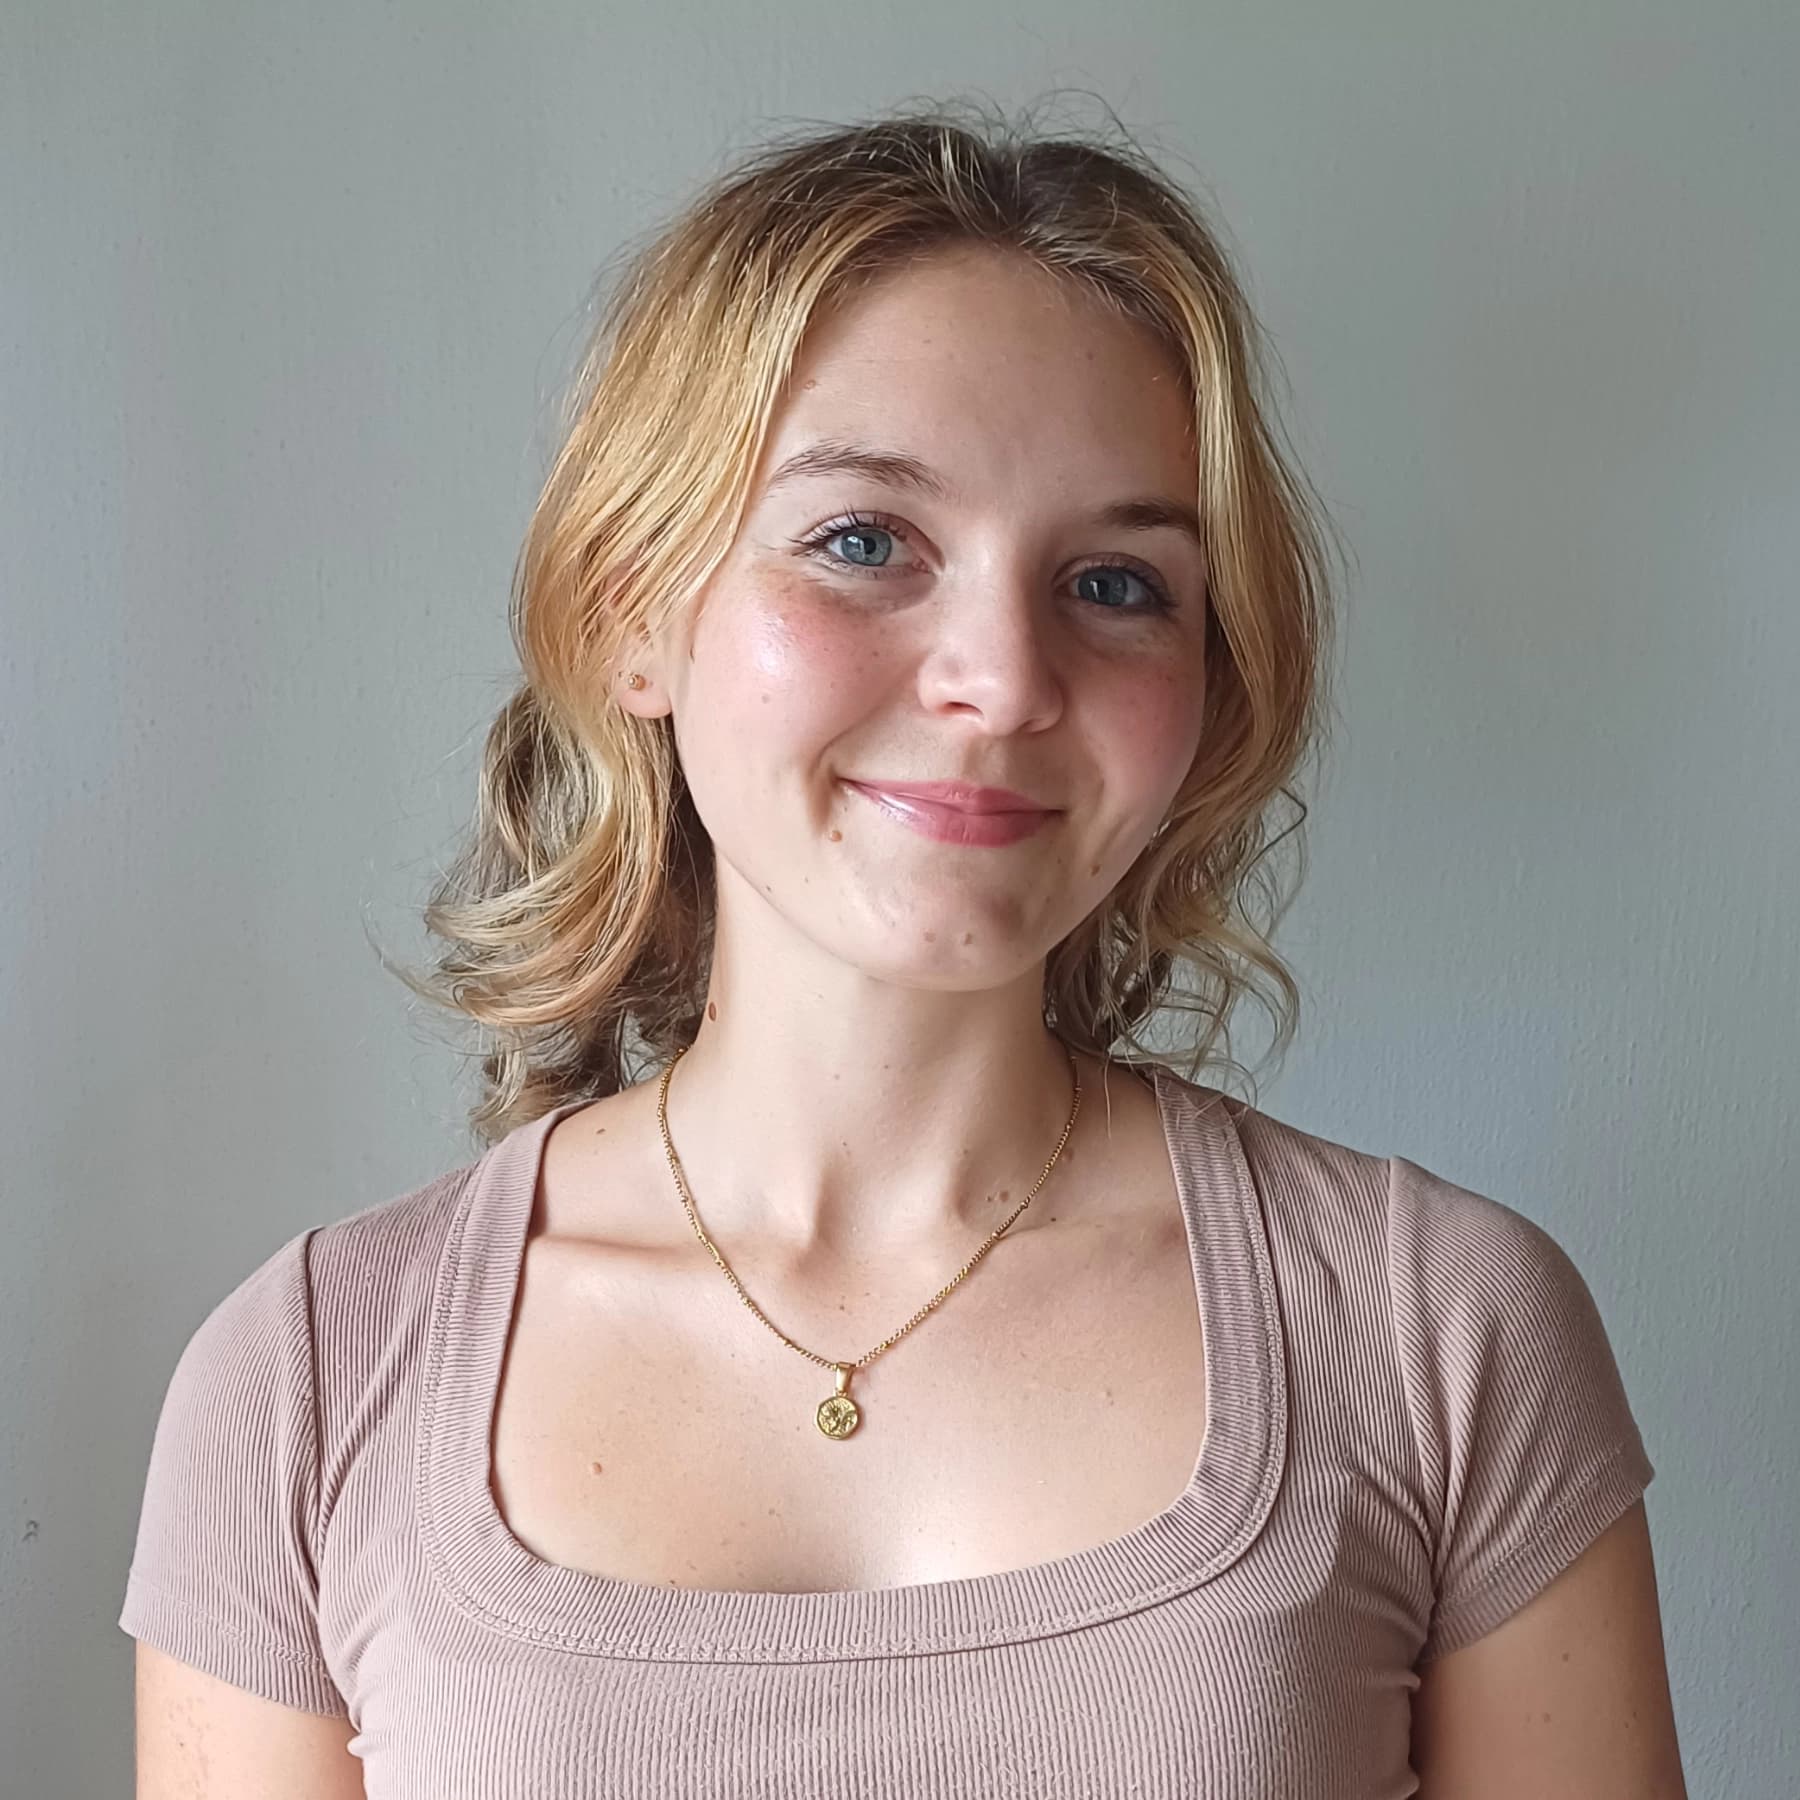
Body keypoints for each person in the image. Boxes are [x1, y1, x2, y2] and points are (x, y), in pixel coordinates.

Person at [118, 99, 1688, 1798]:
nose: (1001, 680)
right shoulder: (304, 1387)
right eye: (865, 543)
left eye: (1116, 583)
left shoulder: (1441, 1331)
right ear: (635, 609)